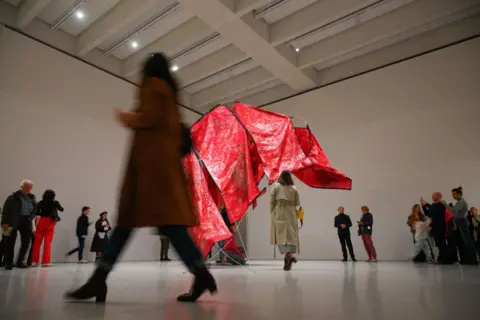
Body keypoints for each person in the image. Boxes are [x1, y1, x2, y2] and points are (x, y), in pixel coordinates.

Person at [65, 53, 215, 304]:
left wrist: (128, 117)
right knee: (166, 228)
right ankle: (201, 273)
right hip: (160, 175)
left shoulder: (154, 87)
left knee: (127, 225)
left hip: (150, 175)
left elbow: (149, 118)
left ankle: (98, 279)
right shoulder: (170, 94)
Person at [1, 180, 36, 270]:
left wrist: (31, 217)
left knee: (26, 241)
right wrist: (4, 223)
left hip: (26, 220)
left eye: (30, 187)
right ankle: (8, 263)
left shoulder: (31, 198)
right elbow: (5, 211)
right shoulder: (12, 198)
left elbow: (34, 210)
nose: (29, 189)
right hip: (11, 221)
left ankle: (20, 262)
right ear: (22, 187)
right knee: (8, 242)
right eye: (27, 187)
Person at [270, 170, 301, 271]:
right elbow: (298, 204)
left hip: (279, 211)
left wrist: (272, 212)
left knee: (281, 234)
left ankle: (288, 255)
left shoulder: (276, 186)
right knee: (291, 234)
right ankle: (289, 256)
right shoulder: (294, 188)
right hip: (291, 213)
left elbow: (272, 201)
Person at [442, 187, 477, 264]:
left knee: (466, 241)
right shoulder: (459, 202)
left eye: (454, 194)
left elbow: (453, 211)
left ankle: (471, 260)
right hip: (460, 222)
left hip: (462, 222)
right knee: (462, 242)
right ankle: (465, 259)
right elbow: (454, 212)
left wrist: (445, 204)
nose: (453, 196)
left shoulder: (461, 202)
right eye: (452, 194)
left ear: (459, 194)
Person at [30, 190, 64, 267]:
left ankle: (34, 261)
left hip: (41, 221)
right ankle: (45, 261)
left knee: (37, 243)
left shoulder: (40, 202)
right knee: (47, 243)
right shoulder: (54, 202)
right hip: (50, 222)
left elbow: (37, 213)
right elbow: (62, 209)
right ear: (53, 196)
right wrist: (57, 205)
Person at [421, 192, 456, 264]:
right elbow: (429, 213)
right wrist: (423, 206)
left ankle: (446, 260)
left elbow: (433, 210)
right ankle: (442, 259)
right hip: (435, 227)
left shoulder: (441, 204)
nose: (432, 196)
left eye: (433, 195)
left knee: (441, 243)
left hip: (440, 227)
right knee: (439, 244)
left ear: (438, 196)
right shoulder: (434, 205)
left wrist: (426, 204)